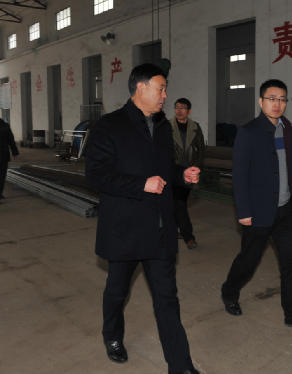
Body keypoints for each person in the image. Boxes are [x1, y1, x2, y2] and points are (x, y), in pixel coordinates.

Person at [85, 64, 201, 374]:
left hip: (160, 228)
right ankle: (112, 336)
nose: (165, 96)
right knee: (117, 291)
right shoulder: (110, 125)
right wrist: (140, 184)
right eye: (160, 89)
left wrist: (182, 175)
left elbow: (164, 169)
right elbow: (95, 175)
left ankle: (181, 365)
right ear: (141, 88)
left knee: (167, 299)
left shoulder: (162, 126)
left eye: (165, 89)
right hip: (126, 228)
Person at [220, 79, 292, 335]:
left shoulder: (288, 130)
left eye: (282, 99)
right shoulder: (248, 132)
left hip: (286, 209)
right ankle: (229, 292)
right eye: (272, 98)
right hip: (258, 212)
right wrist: (244, 212)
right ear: (261, 101)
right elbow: (239, 175)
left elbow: (289, 168)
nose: (277, 104)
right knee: (248, 261)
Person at [170, 98, 205, 249]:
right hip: (173, 171)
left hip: (188, 173)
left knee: (178, 203)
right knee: (179, 203)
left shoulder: (195, 128)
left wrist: (197, 167)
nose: (179, 110)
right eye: (177, 107)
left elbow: (201, 149)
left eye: (183, 108)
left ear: (189, 111)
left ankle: (173, 230)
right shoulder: (167, 127)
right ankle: (188, 236)